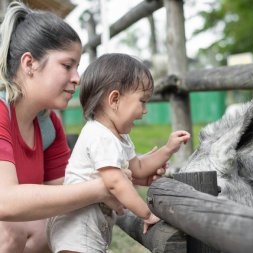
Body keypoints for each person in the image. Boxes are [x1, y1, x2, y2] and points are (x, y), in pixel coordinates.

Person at [0, 2, 166, 252]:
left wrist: (127, 172)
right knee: (13, 228)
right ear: (29, 64)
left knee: (52, 224)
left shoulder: (48, 125)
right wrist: (101, 187)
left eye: (77, 67)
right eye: (67, 66)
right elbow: (5, 201)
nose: (77, 77)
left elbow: (68, 194)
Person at [47, 53, 191, 252]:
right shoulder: (100, 135)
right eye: (142, 101)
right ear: (114, 99)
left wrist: (167, 149)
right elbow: (115, 182)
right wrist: (146, 214)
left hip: (88, 227)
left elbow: (138, 168)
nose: (145, 110)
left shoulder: (118, 137)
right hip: (76, 227)